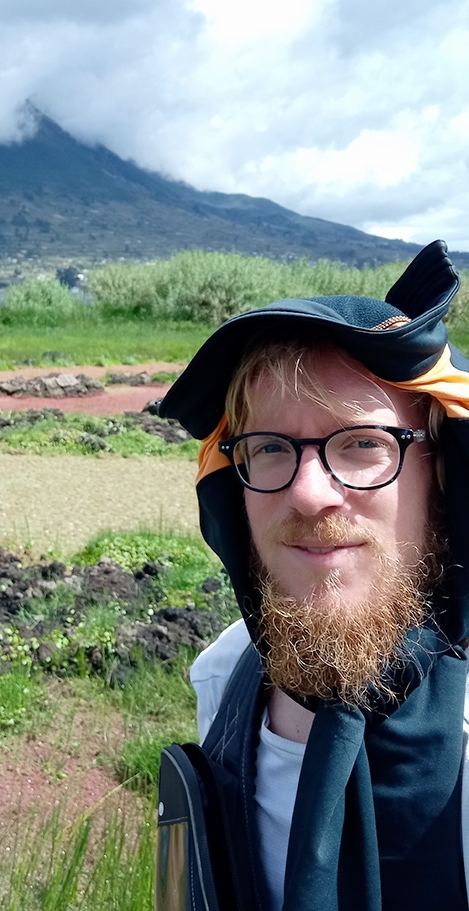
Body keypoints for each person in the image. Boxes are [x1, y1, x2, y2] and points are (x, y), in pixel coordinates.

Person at [156, 240, 469, 911]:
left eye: (361, 444)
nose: (308, 493)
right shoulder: (225, 676)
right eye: (270, 448)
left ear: (440, 474)